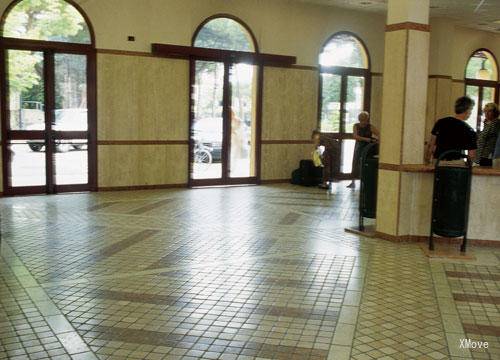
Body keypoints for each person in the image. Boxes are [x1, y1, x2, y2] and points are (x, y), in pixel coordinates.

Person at [426, 96, 477, 165]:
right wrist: (468, 166)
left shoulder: (440, 122)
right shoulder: (469, 130)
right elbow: (472, 155)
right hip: (456, 164)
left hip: (438, 162)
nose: (470, 113)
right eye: (471, 110)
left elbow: (431, 144)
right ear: (467, 110)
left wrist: (428, 161)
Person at [347, 112, 379, 188]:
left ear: (367, 119)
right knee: (355, 163)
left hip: (367, 148)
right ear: (359, 119)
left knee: (365, 164)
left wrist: (376, 141)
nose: (363, 122)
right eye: (361, 120)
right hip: (359, 146)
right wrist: (366, 139)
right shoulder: (356, 126)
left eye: (365, 120)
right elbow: (355, 136)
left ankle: (364, 182)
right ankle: (353, 181)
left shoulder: (370, 126)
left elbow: (379, 134)